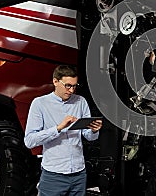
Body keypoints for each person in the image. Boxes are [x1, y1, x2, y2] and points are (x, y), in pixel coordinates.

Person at [24, 65, 102, 196]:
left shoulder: (80, 101)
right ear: (55, 81)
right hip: (53, 175)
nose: (71, 90)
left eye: (74, 86)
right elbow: (30, 141)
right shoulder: (40, 104)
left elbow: (89, 137)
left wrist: (94, 130)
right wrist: (58, 128)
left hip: (79, 174)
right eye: (68, 86)